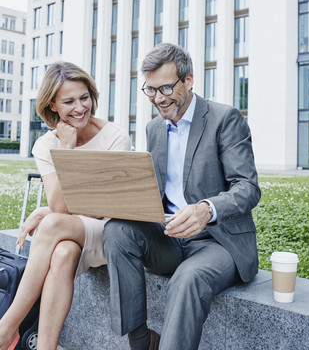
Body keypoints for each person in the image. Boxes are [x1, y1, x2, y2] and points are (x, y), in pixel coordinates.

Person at [103, 43, 261, 350]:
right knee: (116, 231)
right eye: (150, 90)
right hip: (170, 237)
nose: (159, 99)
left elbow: (248, 188)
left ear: (189, 80)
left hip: (219, 242)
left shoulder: (224, 118)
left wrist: (206, 209)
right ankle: (140, 341)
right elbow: (152, 189)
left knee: (188, 279)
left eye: (166, 88)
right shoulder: (153, 129)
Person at [0, 61, 130, 350]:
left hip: (114, 232)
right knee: (62, 253)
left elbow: (102, 208)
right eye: (69, 101)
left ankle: (7, 328)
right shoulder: (46, 145)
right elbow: (61, 203)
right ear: (53, 105)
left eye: (84, 97)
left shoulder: (115, 137)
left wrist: (49, 211)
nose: (80, 108)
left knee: (53, 222)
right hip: (75, 234)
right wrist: (65, 149)